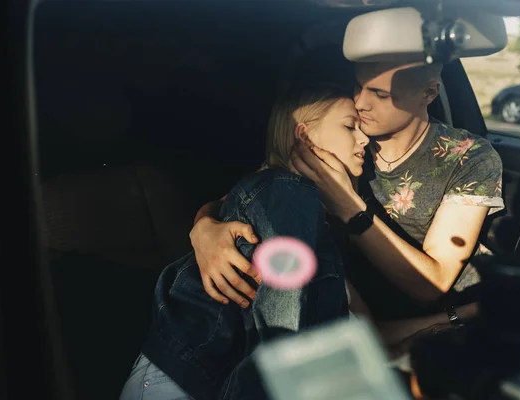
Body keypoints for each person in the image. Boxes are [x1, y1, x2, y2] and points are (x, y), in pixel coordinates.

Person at [189, 60, 504, 329]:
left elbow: (430, 285)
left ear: (430, 93)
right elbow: (258, 193)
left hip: (438, 320)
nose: (362, 103)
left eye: (380, 94)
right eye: (358, 85)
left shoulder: (467, 157)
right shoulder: (338, 138)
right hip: (355, 324)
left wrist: (350, 210)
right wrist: (203, 228)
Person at [120, 83, 365, 400]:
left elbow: (362, 329)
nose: (365, 139)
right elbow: (288, 338)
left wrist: (450, 318)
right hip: (185, 382)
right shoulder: (283, 190)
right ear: (304, 135)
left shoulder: (309, 216)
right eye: (350, 126)